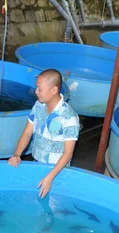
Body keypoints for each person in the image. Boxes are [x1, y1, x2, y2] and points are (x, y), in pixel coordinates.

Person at [8, 69, 80, 198]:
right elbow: (27, 133)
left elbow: (68, 153)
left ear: (53, 90)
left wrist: (50, 177)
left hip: (57, 172)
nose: (36, 92)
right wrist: (17, 154)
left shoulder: (69, 117)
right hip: (36, 163)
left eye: (39, 89)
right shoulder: (38, 106)